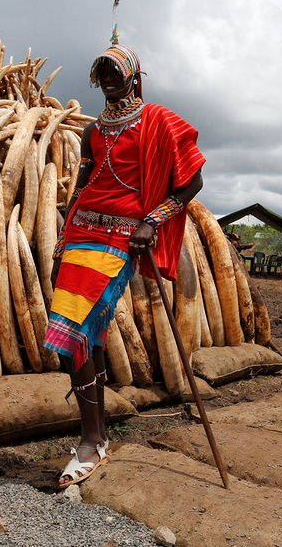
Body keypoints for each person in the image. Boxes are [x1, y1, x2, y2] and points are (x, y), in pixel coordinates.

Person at [45, 32, 205, 487]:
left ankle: (91, 441)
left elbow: (190, 183)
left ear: (134, 76)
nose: (109, 80)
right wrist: (62, 237)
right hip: (81, 234)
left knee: (76, 330)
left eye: (116, 72)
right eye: (103, 74)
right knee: (78, 337)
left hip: (120, 240)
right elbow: (83, 184)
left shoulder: (159, 120)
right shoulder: (93, 130)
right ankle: (94, 436)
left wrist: (153, 221)